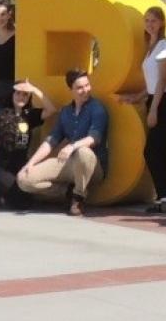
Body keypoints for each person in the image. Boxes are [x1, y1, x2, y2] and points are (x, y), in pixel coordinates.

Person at [17, 68, 107, 216]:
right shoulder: (65, 112)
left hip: (91, 165)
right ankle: (66, 192)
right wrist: (30, 163)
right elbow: (51, 141)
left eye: (87, 85)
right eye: (79, 87)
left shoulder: (97, 109)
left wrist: (72, 146)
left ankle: (78, 197)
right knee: (24, 180)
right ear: (71, 89)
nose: (85, 90)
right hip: (68, 163)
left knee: (83, 152)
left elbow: (94, 138)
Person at [122, 7, 166, 212]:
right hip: (154, 98)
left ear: (162, 23)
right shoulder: (150, 46)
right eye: (147, 20)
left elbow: (162, 80)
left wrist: (154, 109)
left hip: (165, 101)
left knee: (154, 150)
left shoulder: (165, 45)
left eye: (154, 20)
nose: (149, 24)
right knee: (159, 151)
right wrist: (137, 97)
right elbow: (152, 82)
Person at [0, 80, 53, 211]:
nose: (21, 97)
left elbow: (50, 109)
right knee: (19, 202)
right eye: (18, 93)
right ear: (12, 94)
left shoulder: (29, 115)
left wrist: (34, 89)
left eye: (25, 95)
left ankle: (2, 192)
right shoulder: (0, 115)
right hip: (1, 168)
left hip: (20, 167)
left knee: (28, 199)